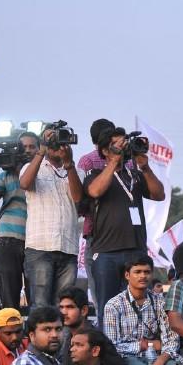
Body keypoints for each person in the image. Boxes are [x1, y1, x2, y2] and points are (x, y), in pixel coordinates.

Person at [84, 126, 165, 309]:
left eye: (124, 144)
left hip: (136, 250)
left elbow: (159, 194)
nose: (122, 148)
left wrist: (145, 167)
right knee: (108, 306)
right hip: (107, 252)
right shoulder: (95, 174)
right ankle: (108, 339)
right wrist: (113, 162)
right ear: (105, 150)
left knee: (137, 304)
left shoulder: (135, 174)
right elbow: (95, 191)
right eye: (116, 145)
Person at [102, 254, 181, 365]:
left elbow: (172, 338)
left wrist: (161, 359)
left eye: (146, 272)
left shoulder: (159, 301)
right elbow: (112, 346)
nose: (143, 276)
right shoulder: (113, 305)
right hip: (127, 357)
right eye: (137, 272)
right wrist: (143, 345)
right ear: (127, 275)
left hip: (159, 354)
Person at [19, 126, 83, 308]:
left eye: (59, 139)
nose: (55, 144)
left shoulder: (75, 171)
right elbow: (24, 183)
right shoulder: (31, 167)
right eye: (51, 139)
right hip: (40, 247)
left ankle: (61, 338)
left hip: (68, 247)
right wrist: (41, 150)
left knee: (64, 306)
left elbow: (78, 197)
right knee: (40, 305)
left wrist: (68, 164)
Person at [0, 131, 38, 309]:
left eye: (32, 147)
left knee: (36, 293)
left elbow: (29, 184)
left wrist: (20, 170)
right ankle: (11, 328)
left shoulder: (43, 172)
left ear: (39, 150)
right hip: (9, 237)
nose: (28, 150)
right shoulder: (5, 175)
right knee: (9, 292)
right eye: (24, 147)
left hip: (36, 240)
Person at [56, 287, 134, 365]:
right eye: (61, 307)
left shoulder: (97, 339)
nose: (64, 312)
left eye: (70, 307)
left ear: (84, 311)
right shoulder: (66, 337)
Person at [77, 118, 119, 306]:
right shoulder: (87, 162)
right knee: (103, 294)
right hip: (99, 234)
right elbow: (80, 198)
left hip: (112, 234)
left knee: (103, 294)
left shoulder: (128, 161)